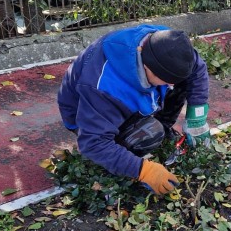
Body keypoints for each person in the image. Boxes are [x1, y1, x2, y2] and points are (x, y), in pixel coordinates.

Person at [58, 25, 210, 195]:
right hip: (85, 114)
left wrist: (197, 116)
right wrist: (143, 170)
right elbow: (94, 143)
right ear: (147, 67)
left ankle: (162, 125)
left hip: (127, 87)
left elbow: (197, 69)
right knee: (150, 133)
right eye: (165, 81)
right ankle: (122, 155)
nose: (169, 87)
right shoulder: (105, 87)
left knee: (181, 82)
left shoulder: (165, 42)